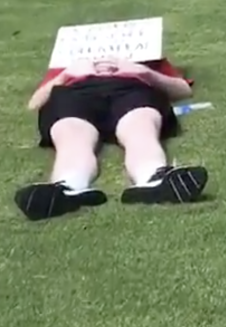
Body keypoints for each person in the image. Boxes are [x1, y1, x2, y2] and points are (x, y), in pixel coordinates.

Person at [14, 56, 209, 221]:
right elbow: (35, 102)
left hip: (132, 88)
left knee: (140, 125)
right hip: (75, 92)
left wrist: (145, 72)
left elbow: (183, 89)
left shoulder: (149, 54)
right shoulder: (67, 58)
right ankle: (69, 186)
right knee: (72, 134)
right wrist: (66, 74)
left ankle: (154, 177)